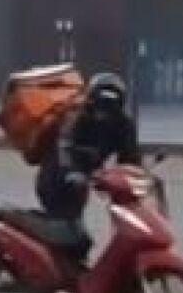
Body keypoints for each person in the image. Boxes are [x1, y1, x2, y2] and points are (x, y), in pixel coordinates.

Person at [34, 72, 142, 255]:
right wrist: (69, 171)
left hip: (82, 182)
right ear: (92, 100)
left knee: (77, 239)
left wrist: (137, 178)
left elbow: (130, 157)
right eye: (101, 103)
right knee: (69, 236)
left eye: (111, 105)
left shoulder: (123, 125)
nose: (104, 113)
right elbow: (64, 145)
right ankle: (45, 274)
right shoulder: (76, 116)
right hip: (56, 178)